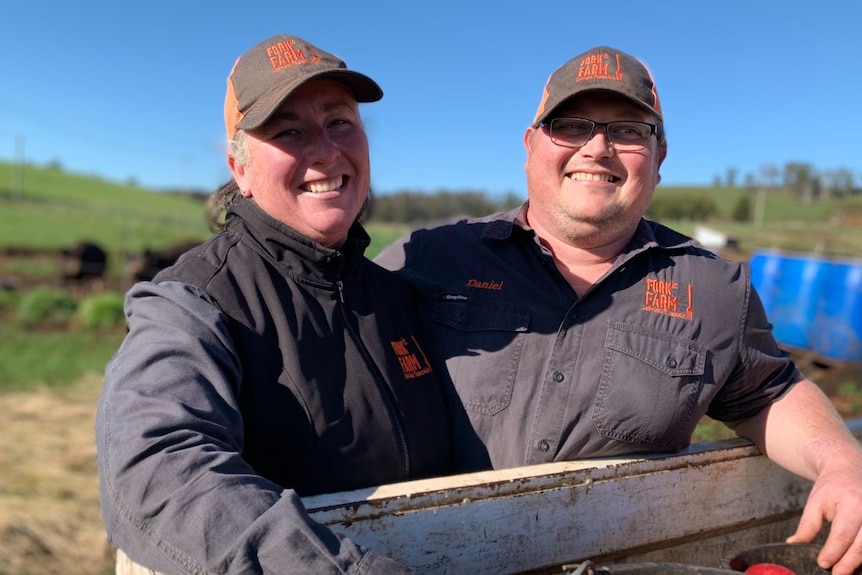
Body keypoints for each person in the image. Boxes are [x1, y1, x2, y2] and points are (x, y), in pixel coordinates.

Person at [375, 46, 862, 575]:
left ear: (659, 158)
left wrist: (842, 461)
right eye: (570, 125)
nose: (598, 148)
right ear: (531, 144)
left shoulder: (716, 289)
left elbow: (771, 395)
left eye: (629, 130)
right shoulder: (427, 257)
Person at [96, 34, 449, 575]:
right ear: (240, 170)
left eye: (340, 123)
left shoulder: (398, 295)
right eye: (288, 130)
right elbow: (157, 466)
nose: (327, 151)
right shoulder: (194, 301)